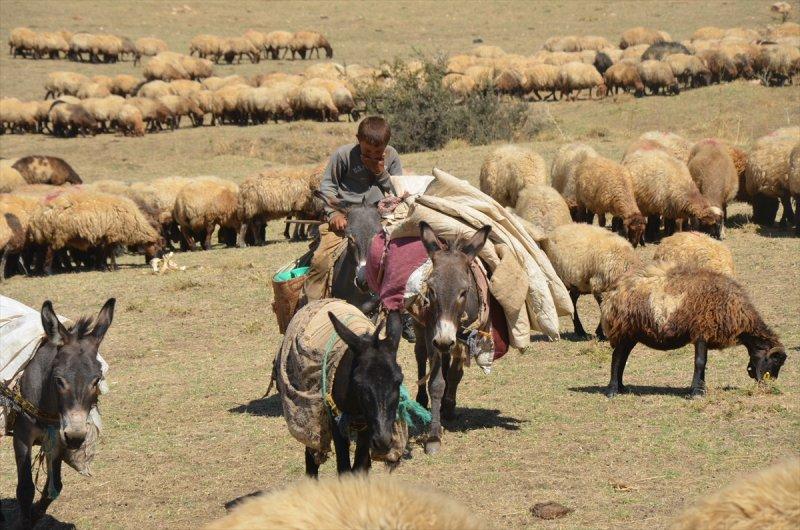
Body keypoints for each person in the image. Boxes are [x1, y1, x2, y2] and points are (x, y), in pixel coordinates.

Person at [301, 116, 416, 341]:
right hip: (346, 217)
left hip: (380, 216)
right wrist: (333, 214)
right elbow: (328, 186)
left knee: (402, 257)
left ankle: (403, 313)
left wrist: (380, 172)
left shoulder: (392, 156)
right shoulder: (343, 155)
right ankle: (311, 315)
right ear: (358, 140)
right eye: (367, 151)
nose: (372, 156)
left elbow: (398, 191)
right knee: (321, 260)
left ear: (386, 146)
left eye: (378, 152)